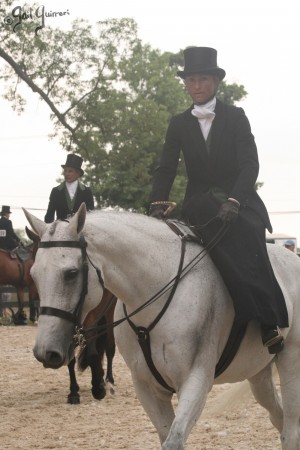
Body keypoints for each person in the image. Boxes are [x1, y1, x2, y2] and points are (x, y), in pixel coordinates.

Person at [149, 46, 288, 354]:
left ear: (214, 82)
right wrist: (157, 200)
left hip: (237, 201)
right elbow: (167, 166)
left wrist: (236, 200)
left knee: (250, 241)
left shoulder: (236, 117)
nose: (196, 86)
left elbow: (250, 164)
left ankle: (268, 321)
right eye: (191, 80)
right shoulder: (178, 123)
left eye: (202, 79)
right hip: (198, 204)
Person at [45, 153, 95, 223]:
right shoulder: (56, 191)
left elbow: (91, 215)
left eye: (70, 171)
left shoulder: (86, 191)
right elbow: (49, 216)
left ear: (78, 174)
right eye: (65, 170)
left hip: (81, 230)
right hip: (60, 230)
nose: (67, 174)